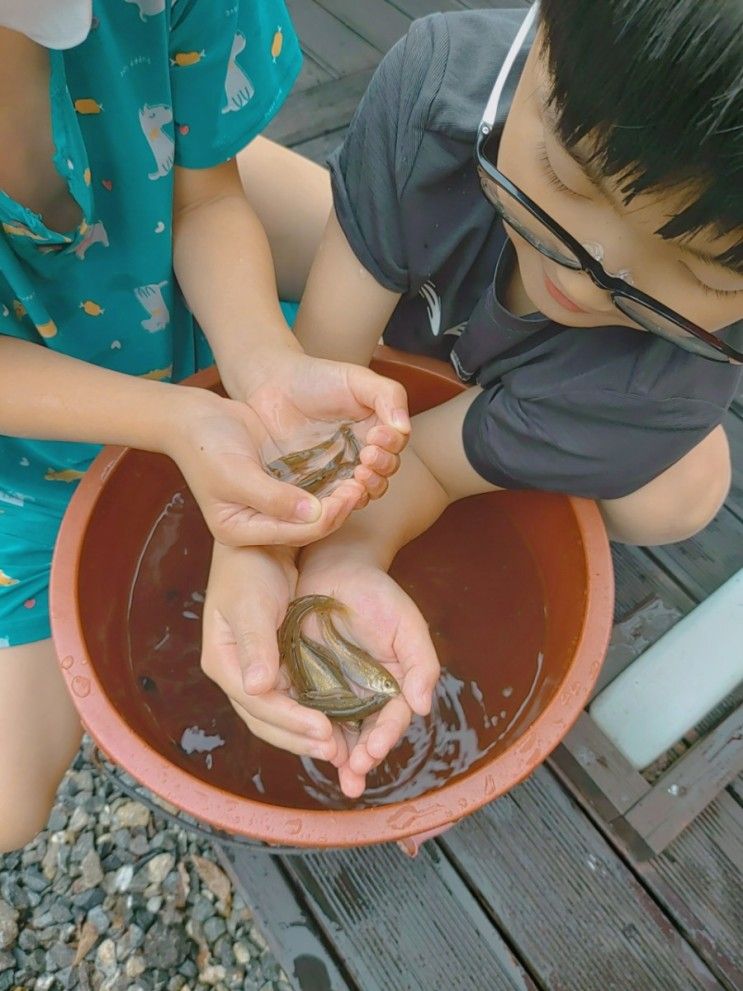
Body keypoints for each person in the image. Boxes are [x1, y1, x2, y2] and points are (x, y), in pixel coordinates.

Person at [203, 0, 743, 798]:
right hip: (425, 242)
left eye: (698, 270)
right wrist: (263, 537)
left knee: (683, 490)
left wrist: (347, 553)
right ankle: (446, 306)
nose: (587, 274)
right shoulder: (442, 89)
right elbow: (316, 386)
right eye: (567, 175)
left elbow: (426, 466)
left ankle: (520, 426)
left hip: (578, 383)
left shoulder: (667, 384)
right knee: (234, 186)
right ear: (537, 43)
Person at [0, 0, 414, 853]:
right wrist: (177, 416)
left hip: (152, 217)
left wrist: (262, 367)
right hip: (31, 444)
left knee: (400, 269)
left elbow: (203, 200)